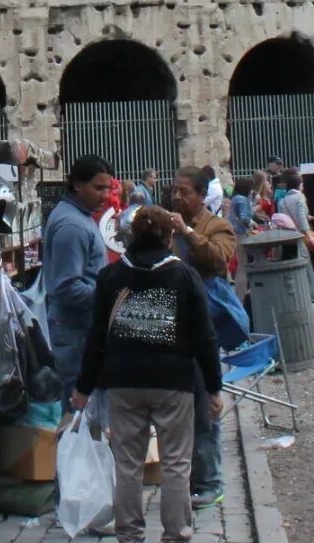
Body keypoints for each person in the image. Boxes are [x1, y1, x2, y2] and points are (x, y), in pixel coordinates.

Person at [70, 205, 223, 543]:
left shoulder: (111, 277)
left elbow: (96, 336)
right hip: (174, 383)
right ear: (170, 236)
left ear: (128, 236)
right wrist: (213, 388)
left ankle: (129, 534)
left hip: (123, 382)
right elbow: (204, 337)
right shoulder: (184, 276)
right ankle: (176, 534)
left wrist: (84, 386)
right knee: (176, 466)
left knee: (127, 465)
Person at [170, 165, 236, 512]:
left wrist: (189, 233)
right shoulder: (166, 224)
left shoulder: (218, 226)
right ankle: (179, 476)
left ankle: (209, 481)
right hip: (169, 328)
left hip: (201, 330)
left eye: (184, 192)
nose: (177, 197)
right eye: (174, 190)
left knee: (203, 405)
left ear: (200, 196)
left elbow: (218, 259)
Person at [42, 154, 114, 397]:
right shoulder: (72, 226)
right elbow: (67, 286)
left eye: (108, 188)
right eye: (98, 188)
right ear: (77, 185)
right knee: (80, 408)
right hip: (76, 332)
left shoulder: (78, 216)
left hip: (79, 328)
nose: (104, 195)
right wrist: (109, 298)